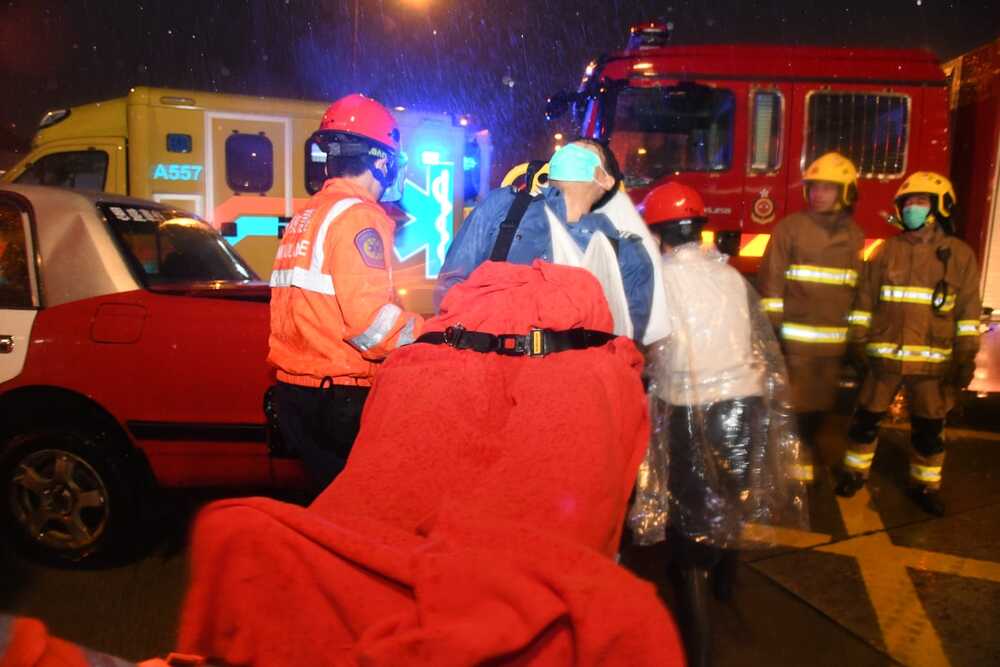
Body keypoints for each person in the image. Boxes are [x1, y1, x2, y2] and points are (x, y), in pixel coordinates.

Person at [630, 182, 807, 667]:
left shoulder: (660, 278)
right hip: (745, 404)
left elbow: (649, 345)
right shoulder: (729, 277)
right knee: (729, 497)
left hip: (691, 406)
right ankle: (727, 583)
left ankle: (700, 647)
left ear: (659, 230)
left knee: (688, 527)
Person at [268, 93, 423, 495]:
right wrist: (428, 334)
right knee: (365, 511)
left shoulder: (309, 214)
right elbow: (370, 325)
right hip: (339, 397)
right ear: (383, 160)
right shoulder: (358, 216)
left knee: (327, 506)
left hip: (296, 393)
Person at [835, 172, 982, 516]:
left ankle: (925, 485)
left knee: (930, 429)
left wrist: (965, 356)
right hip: (883, 358)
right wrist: (857, 341)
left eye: (920, 202)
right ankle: (854, 473)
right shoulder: (887, 250)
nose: (912, 208)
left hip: (933, 364)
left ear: (941, 207)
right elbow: (865, 301)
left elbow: (968, 311)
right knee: (865, 420)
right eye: (907, 203)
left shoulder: (959, 256)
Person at [434, 139, 654, 342]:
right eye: (569, 151)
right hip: (492, 355)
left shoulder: (626, 251)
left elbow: (625, 337)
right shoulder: (502, 207)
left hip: (570, 370)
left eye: (585, 154)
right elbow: (452, 284)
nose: (573, 156)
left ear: (606, 180)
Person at [757, 152, 865, 483]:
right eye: (814, 187)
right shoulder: (790, 229)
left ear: (845, 193)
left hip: (833, 343)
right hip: (796, 342)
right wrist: (774, 332)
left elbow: (860, 290)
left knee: (823, 404)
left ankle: (806, 455)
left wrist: (856, 336)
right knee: (796, 405)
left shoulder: (854, 236)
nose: (818, 194)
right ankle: (794, 465)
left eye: (827, 188)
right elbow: (771, 282)